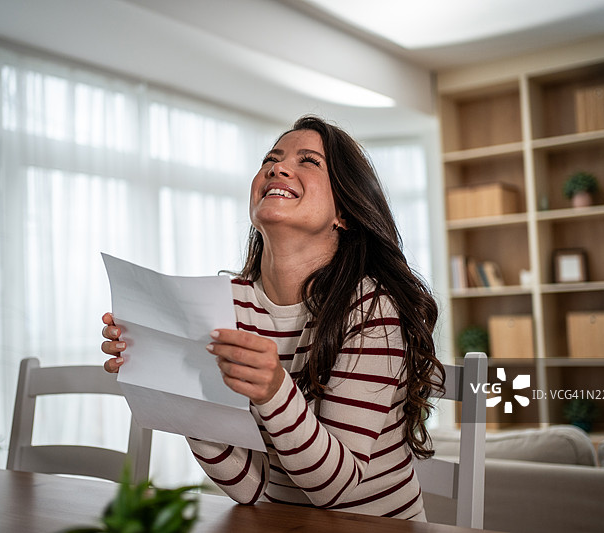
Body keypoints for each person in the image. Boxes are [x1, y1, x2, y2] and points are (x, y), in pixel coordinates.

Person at [101, 115, 443, 520]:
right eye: (271, 158)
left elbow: (334, 487)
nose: (277, 167)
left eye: (309, 161)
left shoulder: (371, 308)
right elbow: (250, 487)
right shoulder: (229, 304)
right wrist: (175, 383)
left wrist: (273, 391)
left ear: (345, 215)